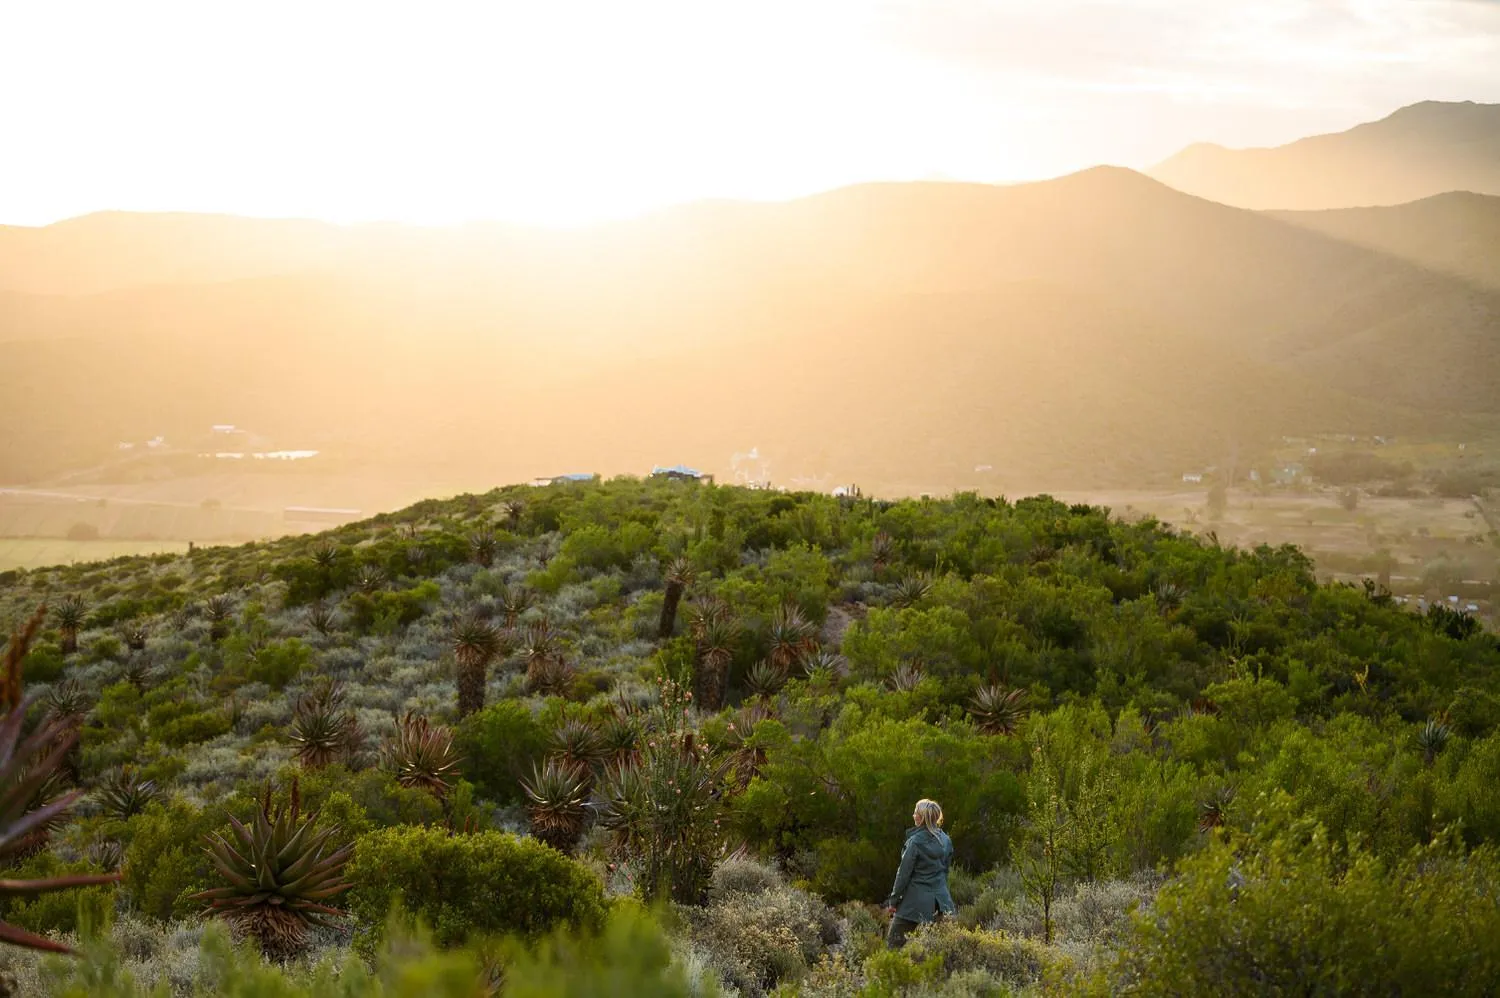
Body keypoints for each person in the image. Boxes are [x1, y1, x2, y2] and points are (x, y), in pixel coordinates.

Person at [883, 798, 957, 948]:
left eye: (915, 812)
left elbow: (903, 874)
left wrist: (893, 901)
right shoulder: (946, 840)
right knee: (936, 949)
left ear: (922, 817)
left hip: (913, 904)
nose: (913, 815)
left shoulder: (915, 842)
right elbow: (945, 871)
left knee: (893, 946)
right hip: (942, 904)